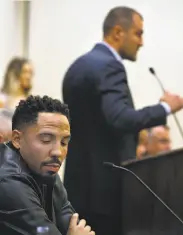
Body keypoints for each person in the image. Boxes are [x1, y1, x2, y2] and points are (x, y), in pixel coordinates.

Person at [62, 6, 183, 235]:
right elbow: (119, 118)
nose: (142, 42)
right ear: (118, 32)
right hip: (108, 192)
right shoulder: (110, 65)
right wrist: (166, 107)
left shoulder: (77, 66)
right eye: (138, 33)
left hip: (78, 189)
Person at [0, 95, 95, 235]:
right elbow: (43, 230)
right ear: (17, 139)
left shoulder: (45, 168)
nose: (58, 151)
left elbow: (70, 222)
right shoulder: (8, 181)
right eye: (46, 139)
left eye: (64, 142)